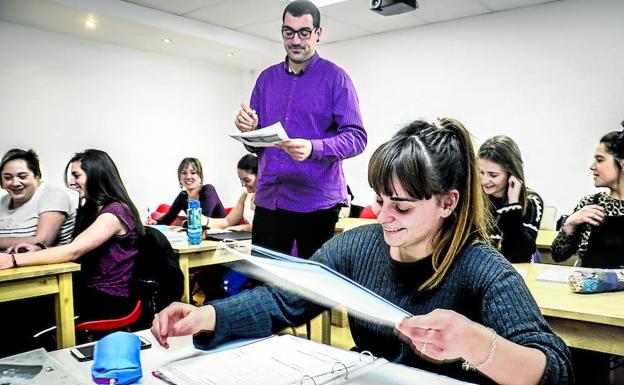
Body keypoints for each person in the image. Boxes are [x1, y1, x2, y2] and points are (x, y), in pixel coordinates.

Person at [152, 119, 571, 385]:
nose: (383, 216)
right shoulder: (359, 246)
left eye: (402, 206)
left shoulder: (484, 271)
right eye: (380, 200)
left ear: (448, 202)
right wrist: (206, 315)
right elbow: (285, 298)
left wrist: (477, 342)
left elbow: (555, 370)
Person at [233, 0, 366, 258]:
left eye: (304, 32)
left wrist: (313, 147)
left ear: (318, 33)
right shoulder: (266, 79)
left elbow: (357, 137)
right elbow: (255, 144)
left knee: (309, 291)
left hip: (315, 204)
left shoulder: (336, 78)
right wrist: (250, 131)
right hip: (270, 198)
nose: (296, 40)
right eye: (288, 32)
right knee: (265, 282)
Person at [0, 149, 144, 322]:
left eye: (76, 175)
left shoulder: (114, 213)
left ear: (95, 174)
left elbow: (73, 251)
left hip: (108, 296)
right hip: (88, 289)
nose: (71, 181)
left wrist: (13, 260)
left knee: (25, 314)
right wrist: (40, 249)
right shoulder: (92, 208)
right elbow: (78, 248)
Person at [551, 128, 624, 269]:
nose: (592, 167)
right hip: (593, 288)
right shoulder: (590, 204)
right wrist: (570, 224)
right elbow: (558, 256)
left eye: (600, 160)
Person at [477, 136, 544, 263]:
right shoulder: (475, 199)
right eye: (481, 172)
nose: (484, 181)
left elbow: (519, 255)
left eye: (493, 175)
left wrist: (513, 205)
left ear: (511, 173)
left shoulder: (532, 201)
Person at [0, 148, 76, 251]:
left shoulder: (52, 195)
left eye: (22, 176)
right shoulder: (2, 202)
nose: (15, 183)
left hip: (47, 265)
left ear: (37, 175)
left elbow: (43, 241)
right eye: (8, 178)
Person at [146, 157, 226, 226]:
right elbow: (168, 218)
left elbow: (200, 220)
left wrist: (185, 223)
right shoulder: (183, 196)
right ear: (179, 178)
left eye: (193, 173)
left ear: (200, 177)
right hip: (200, 236)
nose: (188, 177)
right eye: (184, 173)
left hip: (222, 235)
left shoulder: (208, 190)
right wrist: (155, 222)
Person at [207, 154, 257, 232]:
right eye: (241, 180)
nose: (243, 184)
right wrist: (204, 221)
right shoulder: (246, 195)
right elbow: (228, 222)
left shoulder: (271, 197)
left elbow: (267, 226)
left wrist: (241, 228)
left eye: (247, 180)